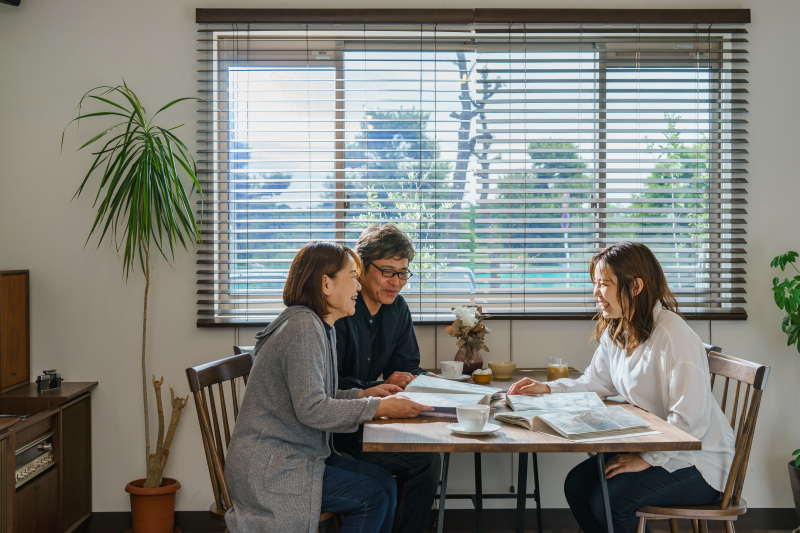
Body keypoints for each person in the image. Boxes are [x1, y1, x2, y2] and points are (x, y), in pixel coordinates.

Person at [507, 241, 735, 533]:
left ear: (635, 286)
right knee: (576, 486)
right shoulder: (620, 327)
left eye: (604, 284)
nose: (596, 293)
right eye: (595, 284)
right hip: (661, 449)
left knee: (610, 502)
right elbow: (596, 382)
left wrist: (646, 458)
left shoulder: (674, 336)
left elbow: (690, 421)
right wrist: (547, 389)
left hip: (699, 461)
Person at [225, 241, 433, 533]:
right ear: (326, 284)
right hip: (274, 467)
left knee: (384, 484)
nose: (358, 287)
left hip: (301, 455)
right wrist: (378, 407)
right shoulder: (302, 329)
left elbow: (315, 393)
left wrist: (363, 394)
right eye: (352, 277)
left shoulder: (319, 325)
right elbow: (313, 410)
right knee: (371, 496)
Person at [333, 223, 442, 533]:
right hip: (340, 431)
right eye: (387, 272)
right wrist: (372, 386)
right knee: (425, 461)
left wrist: (434, 383)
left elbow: (407, 367)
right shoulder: (340, 311)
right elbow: (326, 389)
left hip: (373, 420)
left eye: (403, 273)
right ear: (361, 268)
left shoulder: (397, 309)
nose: (396, 282)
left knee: (428, 452)